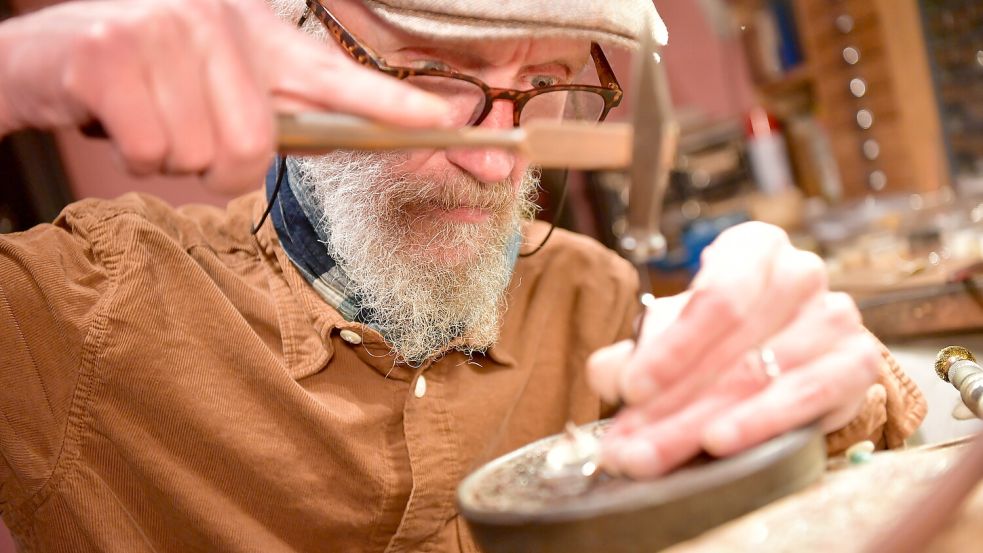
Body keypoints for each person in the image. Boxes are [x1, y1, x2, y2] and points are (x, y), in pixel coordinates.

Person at [0, 0, 925, 550]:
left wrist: (820, 373)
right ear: (297, 39)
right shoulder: (79, 312)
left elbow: (863, 440)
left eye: (551, 80)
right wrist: (19, 70)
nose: (494, 163)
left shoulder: (594, 299)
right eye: (434, 75)